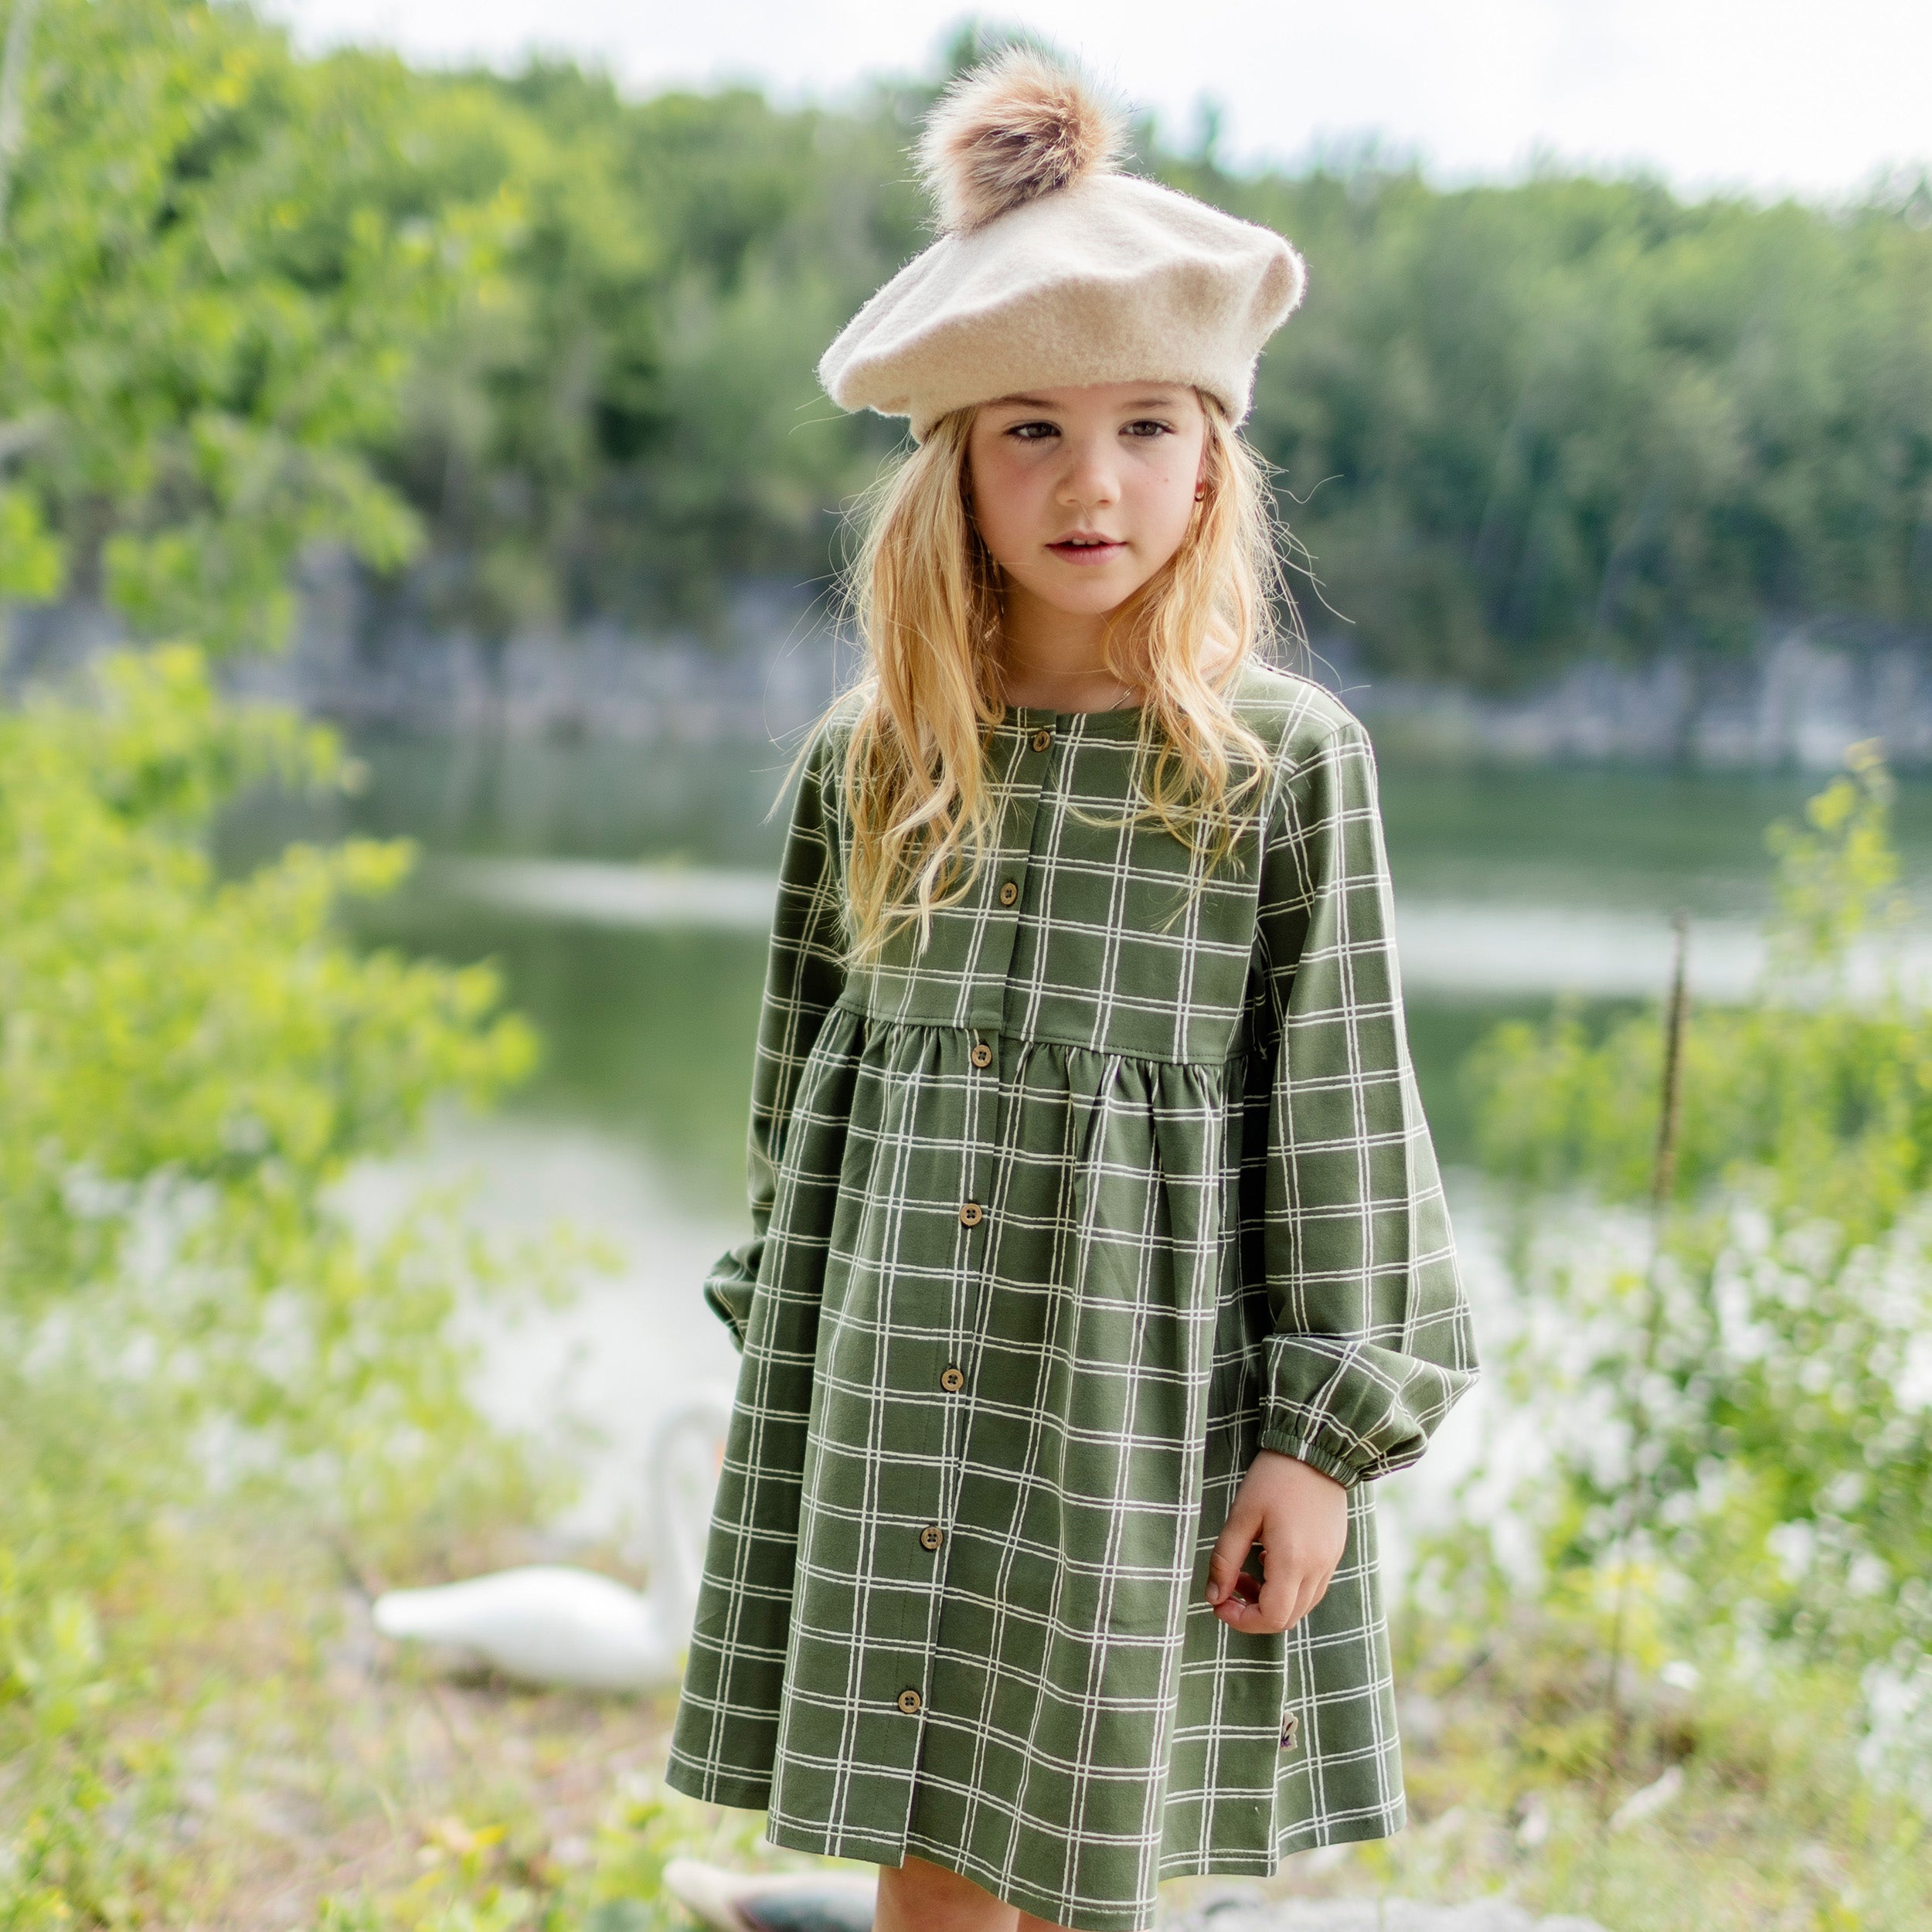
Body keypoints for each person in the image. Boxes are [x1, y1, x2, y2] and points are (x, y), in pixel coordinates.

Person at [663, 48, 1478, 1932]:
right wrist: (776, 1342)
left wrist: (1317, 1441)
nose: (1088, 481)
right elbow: (799, 1101)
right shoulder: (870, 761)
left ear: (1212, 456)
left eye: (1143, 428)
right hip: (897, 1376)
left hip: (1145, 1392)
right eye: (1027, 428)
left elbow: (1341, 1110)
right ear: (952, 460)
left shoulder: (1278, 764)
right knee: (932, 1855)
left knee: (1099, 1848)